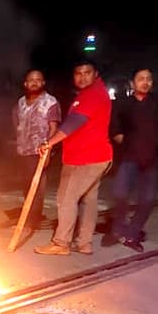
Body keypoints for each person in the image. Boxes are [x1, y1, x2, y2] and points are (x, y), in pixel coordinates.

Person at [35, 60, 113, 255]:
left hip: (87, 158)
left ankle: (61, 243)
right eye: (78, 73)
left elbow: (73, 123)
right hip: (94, 156)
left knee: (66, 198)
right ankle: (84, 243)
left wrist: (49, 142)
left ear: (96, 74)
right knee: (88, 199)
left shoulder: (92, 95)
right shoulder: (92, 93)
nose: (82, 76)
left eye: (87, 72)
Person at [103, 68, 158, 252]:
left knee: (147, 200)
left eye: (148, 79)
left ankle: (132, 234)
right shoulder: (123, 103)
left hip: (151, 161)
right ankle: (117, 230)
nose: (145, 82)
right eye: (141, 79)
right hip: (129, 159)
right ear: (133, 83)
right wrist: (120, 138)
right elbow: (114, 127)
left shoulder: (156, 100)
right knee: (120, 194)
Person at [12, 69, 62, 232]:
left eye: (38, 80)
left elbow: (53, 126)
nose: (34, 82)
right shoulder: (20, 102)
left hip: (40, 150)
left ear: (43, 83)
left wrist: (48, 147)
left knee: (37, 187)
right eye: (31, 80)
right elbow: (17, 123)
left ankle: (32, 222)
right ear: (25, 84)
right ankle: (28, 217)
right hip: (23, 150)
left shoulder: (50, 102)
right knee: (26, 186)